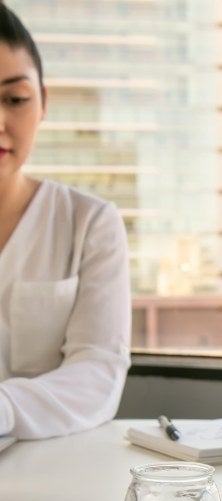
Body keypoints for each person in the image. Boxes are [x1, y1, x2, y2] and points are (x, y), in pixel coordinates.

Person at [0, 3, 131, 440]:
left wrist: (4, 408)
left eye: (14, 99)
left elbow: (97, 373)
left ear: (43, 104)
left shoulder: (89, 223)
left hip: (53, 473)